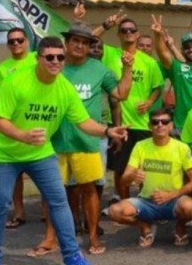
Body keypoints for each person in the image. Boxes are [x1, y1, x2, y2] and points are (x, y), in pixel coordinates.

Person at [0, 37, 128, 265]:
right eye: (50, 57)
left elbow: (83, 121)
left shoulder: (64, 87)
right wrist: (23, 136)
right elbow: (0, 121)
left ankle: (72, 255)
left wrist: (108, 131)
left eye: (60, 57)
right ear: (38, 59)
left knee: (58, 201)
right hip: (4, 154)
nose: (56, 61)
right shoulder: (15, 81)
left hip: (40, 153)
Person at [30, 23, 133, 257]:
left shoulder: (99, 69)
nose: (79, 45)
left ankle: (93, 234)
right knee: (52, 193)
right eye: (75, 40)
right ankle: (49, 238)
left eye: (85, 42)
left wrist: (128, 68)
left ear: (90, 47)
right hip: (53, 141)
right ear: (67, 43)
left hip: (87, 142)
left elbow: (121, 94)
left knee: (89, 191)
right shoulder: (54, 65)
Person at [107, 108, 192, 247]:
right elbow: (123, 180)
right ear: (149, 126)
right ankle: (144, 226)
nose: (160, 125)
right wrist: (132, 175)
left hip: (174, 200)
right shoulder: (140, 146)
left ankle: (180, 227)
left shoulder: (182, 147)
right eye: (155, 122)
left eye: (164, 121)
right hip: (146, 202)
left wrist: (171, 195)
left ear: (171, 126)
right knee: (114, 212)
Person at [102, 18, 164, 204]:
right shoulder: (110, 54)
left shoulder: (149, 62)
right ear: (119, 34)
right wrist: (106, 25)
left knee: (145, 168)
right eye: (124, 30)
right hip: (119, 121)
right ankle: (124, 204)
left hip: (143, 122)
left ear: (137, 34)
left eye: (132, 29)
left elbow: (158, 86)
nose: (128, 32)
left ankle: (146, 204)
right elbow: (90, 39)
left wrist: (149, 101)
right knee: (121, 167)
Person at [0, 28, 37, 230]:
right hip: (12, 129)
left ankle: (48, 215)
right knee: (16, 173)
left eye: (19, 40)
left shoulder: (38, 59)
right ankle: (19, 213)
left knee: (45, 173)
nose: (16, 44)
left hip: (37, 124)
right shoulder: (3, 68)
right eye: (12, 41)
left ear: (27, 41)